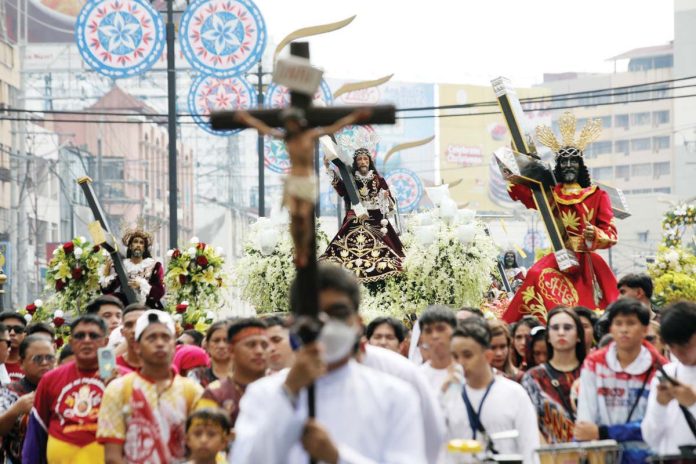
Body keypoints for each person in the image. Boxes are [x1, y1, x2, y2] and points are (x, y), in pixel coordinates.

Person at [230, 264, 428, 464]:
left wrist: (338, 457)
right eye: (313, 314)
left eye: (337, 313)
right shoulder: (264, 394)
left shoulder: (394, 396)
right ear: (293, 323)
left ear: (358, 323)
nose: (325, 323)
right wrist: (288, 394)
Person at [503, 113, 619, 323]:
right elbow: (529, 195)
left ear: (580, 165)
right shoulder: (551, 193)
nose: (567, 165)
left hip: (587, 262)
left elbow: (611, 233)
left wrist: (595, 234)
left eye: (572, 161)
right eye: (563, 161)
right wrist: (516, 170)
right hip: (559, 257)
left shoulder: (597, 195)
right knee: (535, 274)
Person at [234, 108, 371, 267]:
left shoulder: (310, 135)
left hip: (306, 181)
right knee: (295, 217)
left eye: (294, 123)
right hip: (292, 180)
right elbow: (266, 129)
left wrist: (354, 116)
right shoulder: (287, 137)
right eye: (289, 124)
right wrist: (246, 120)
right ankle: (298, 250)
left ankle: (304, 250)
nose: (291, 126)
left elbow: (333, 128)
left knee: (304, 216)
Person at [98, 310, 203, 464]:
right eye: (151, 338)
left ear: (174, 346)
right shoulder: (118, 389)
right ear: (137, 346)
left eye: (165, 337)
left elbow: (202, 450)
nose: (160, 343)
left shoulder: (192, 391)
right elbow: (112, 457)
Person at [575, 298, 667, 464]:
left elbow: (657, 425)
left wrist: (603, 432)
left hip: (649, 458)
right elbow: (585, 419)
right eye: (618, 323)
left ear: (645, 329)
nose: (624, 330)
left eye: (631, 323)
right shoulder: (594, 363)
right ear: (611, 328)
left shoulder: (661, 368)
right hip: (603, 457)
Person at [442, 318, 539, 464]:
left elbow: (530, 451)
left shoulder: (515, 394)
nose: (460, 362)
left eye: (467, 355)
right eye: (455, 357)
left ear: (487, 356)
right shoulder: (449, 397)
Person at [22, 314, 109, 464]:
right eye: (80, 336)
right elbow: (36, 433)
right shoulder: (50, 379)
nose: (87, 340)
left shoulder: (122, 378)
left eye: (93, 335)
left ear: (105, 342)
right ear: (72, 342)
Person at [320, 132, 405, 282]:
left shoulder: (379, 180)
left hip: (377, 218)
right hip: (356, 217)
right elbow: (341, 189)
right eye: (359, 159)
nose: (363, 161)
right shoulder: (351, 179)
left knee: (391, 252)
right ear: (356, 162)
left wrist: (385, 198)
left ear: (370, 161)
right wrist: (328, 168)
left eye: (365, 158)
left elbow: (390, 203)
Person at [522, 307, 586, 444]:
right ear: (548, 337)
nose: (561, 332)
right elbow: (529, 425)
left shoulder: (592, 372)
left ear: (579, 335)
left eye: (568, 328)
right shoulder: (533, 378)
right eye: (555, 328)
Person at [641, 301, 696, 455]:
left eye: (685, 344)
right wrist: (660, 405)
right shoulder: (666, 373)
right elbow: (650, 438)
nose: (679, 352)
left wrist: (692, 403)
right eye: (672, 346)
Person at [196, 318, 268, 428]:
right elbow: (204, 439)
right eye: (251, 345)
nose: (259, 351)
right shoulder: (214, 393)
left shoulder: (281, 389)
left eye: (264, 345)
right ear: (232, 349)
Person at [0, 335, 55, 463]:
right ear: (21, 363)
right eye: (37, 359)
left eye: (49, 358)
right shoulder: (10, 390)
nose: (45, 363)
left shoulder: (63, 388)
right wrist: (16, 410)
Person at [100, 222, 165, 308]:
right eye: (135, 242)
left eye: (141, 243)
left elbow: (160, 291)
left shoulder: (154, 266)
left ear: (144, 248)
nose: (138, 245)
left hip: (147, 307)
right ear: (130, 246)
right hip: (125, 306)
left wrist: (141, 284)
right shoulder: (121, 265)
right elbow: (107, 291)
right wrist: (106, 273)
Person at [418, 305, 462, 394]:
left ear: (455, 331)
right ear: (422, 337)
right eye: (428, 331)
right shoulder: (417, 376)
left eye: (440, 329)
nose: (435, 336)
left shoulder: (468, 371)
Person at [188, 322, 231, 388]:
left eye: (227, 341)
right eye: (216, 341)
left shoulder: (245, 376)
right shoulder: (197, 376)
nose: (221, 346)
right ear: (207, 345)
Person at [114, 303, 146, 373]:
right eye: (129, 325)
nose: (134, 330)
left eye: (140, 324)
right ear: (122, 332)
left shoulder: (163, 365)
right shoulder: (111, 367)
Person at [0, 313, 27, 382]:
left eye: (18, 329)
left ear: (25, 335)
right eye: (7, 329)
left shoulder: (33, 364)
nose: (12, 333)